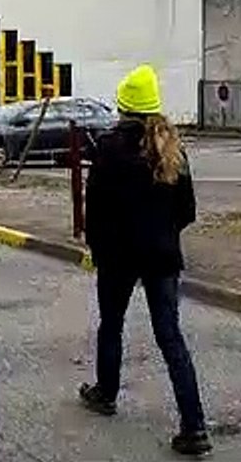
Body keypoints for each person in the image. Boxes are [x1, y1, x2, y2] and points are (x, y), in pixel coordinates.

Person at [79, 64, 212, 458]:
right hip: (162, 255)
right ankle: (194, 426)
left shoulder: (108, 149)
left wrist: (98, 249)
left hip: (117, 257)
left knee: (111, 324)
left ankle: (106, 392)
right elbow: (187, 210)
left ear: (124, 107)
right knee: (170, 337)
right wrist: (164, 234)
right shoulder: (172, 148)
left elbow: (95, 210)